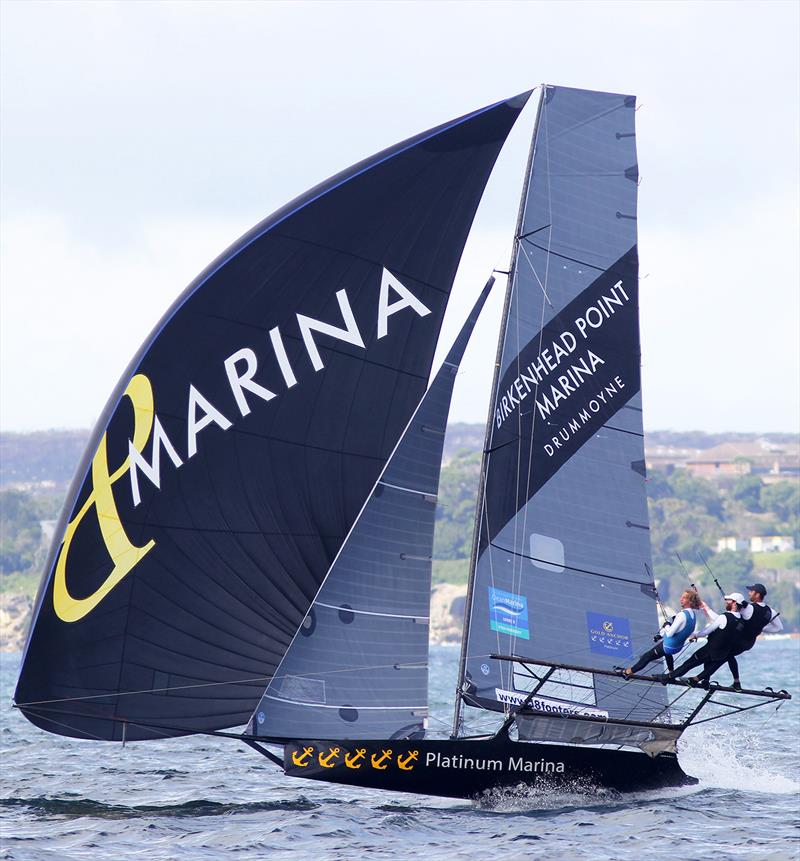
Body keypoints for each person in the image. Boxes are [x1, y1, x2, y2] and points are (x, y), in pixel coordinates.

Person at [702, 582, 783, 690]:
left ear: (757, 595)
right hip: (749, 643)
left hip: (738, 640)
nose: (749, 593)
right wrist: (761, 628)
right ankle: (735, 682)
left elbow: (727, 617)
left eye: (751, 591)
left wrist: (708, 609)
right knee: (727, 656)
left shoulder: (748, 608)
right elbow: (778, 627)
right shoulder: (771, 611)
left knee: (716, 655)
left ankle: (702, 679)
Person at [661, 593, 745, 687]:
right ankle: (705, 682)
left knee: (688, 664)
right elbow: (723, 622)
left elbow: (707, 631)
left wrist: (696, 635)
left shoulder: (724, 617)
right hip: (722, 653)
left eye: (728, 600)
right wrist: (706, 608)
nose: (726, 602)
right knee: (708, 666)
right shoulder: (741, 621)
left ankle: (667, 677)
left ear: (734, 603)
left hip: (710, 649)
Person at [619, 589, 701, 677]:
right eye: (682, 597)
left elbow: (669, 634)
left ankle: (627, 672)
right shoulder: (692, 615)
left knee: (646, 657)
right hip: (677, 647)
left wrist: (666, 625)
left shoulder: (682, 615)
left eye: (684, 598)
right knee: (666, 653)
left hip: (669, 646)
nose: (681, 599)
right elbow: (679, 631)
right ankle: (671, 673)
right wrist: (661, 635)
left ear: (690, 601)